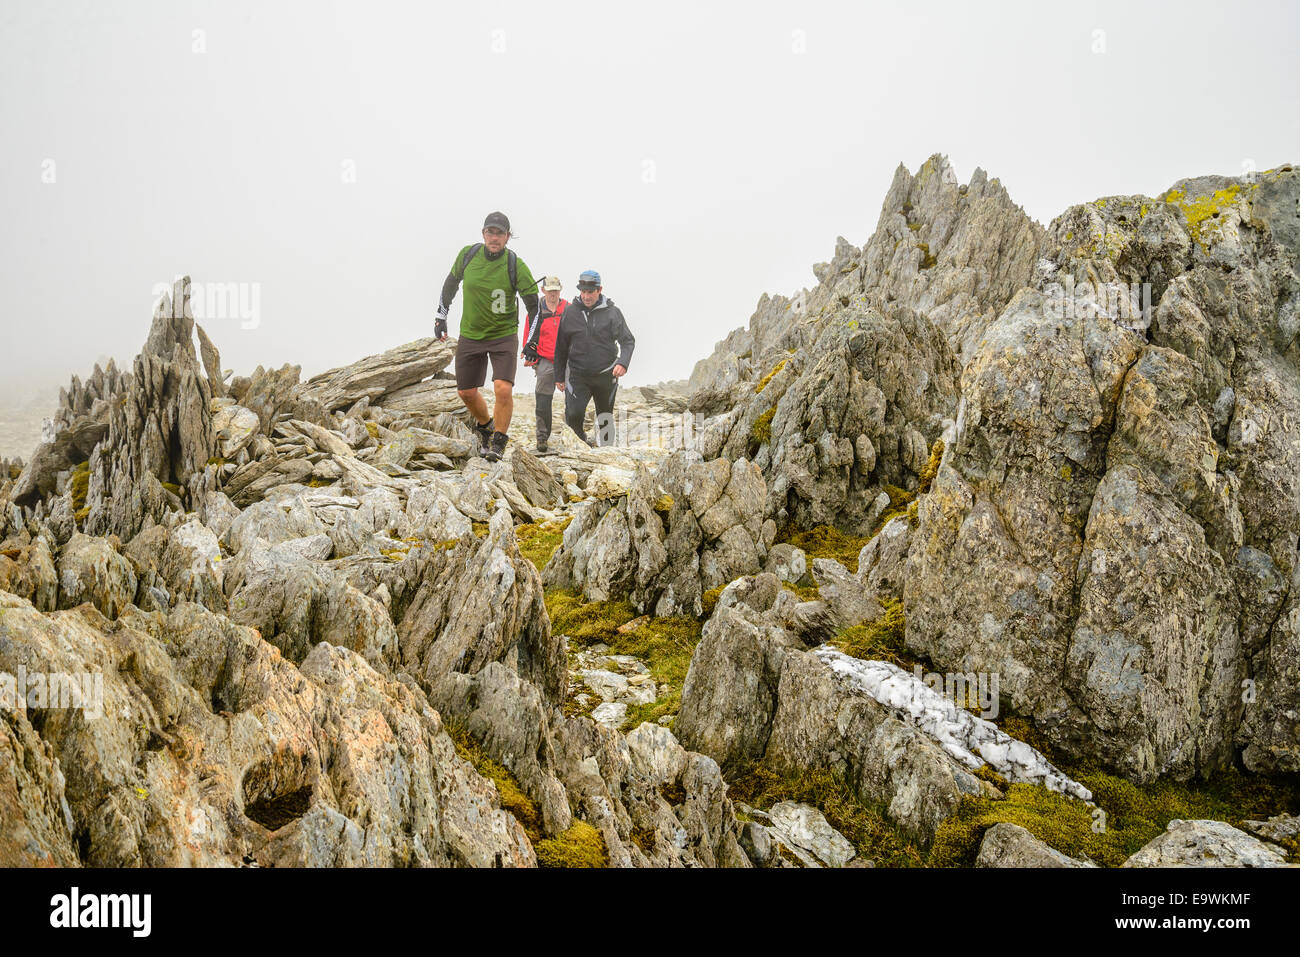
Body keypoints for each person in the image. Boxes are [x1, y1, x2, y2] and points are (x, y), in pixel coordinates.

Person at [434, 211, 539, 462]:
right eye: (490, 232)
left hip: (503, 335)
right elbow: (450, 285)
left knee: (502, 388)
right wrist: (441, 315)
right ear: (483, 234)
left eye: (500, 233)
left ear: (507, 237)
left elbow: (534, 306)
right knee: (466, 392)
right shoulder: (468, 255)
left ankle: (499, 442)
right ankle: (486, 427)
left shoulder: (515, 264)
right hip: (471, 334)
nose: (494, 237)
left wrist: (532, 341)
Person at [549, 270, 635, 447]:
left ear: (599, 289)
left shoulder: (613, 313)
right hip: (577, 375)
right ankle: (579, 446)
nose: (586, 296)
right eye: (583, 292)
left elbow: (628, 341)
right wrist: (558, 376)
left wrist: (623, 363)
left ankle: (607, 453)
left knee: (605, 416)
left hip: (606, 374)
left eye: (590, 292)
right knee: (573, 414)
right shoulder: (570, 312)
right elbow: (561, 347)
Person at [521, 275, 567, 453]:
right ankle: (542, 438)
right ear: (543, 291)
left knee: (573, 397)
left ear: (560, 290)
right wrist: (528, 353)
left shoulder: (568, 308)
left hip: (567, 360)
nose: (553, 294)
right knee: (543, 400)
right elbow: (529, 333)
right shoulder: (536, 311)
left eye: (556, 290)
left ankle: (575, 435)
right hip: (545, 360)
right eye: (550, 290)